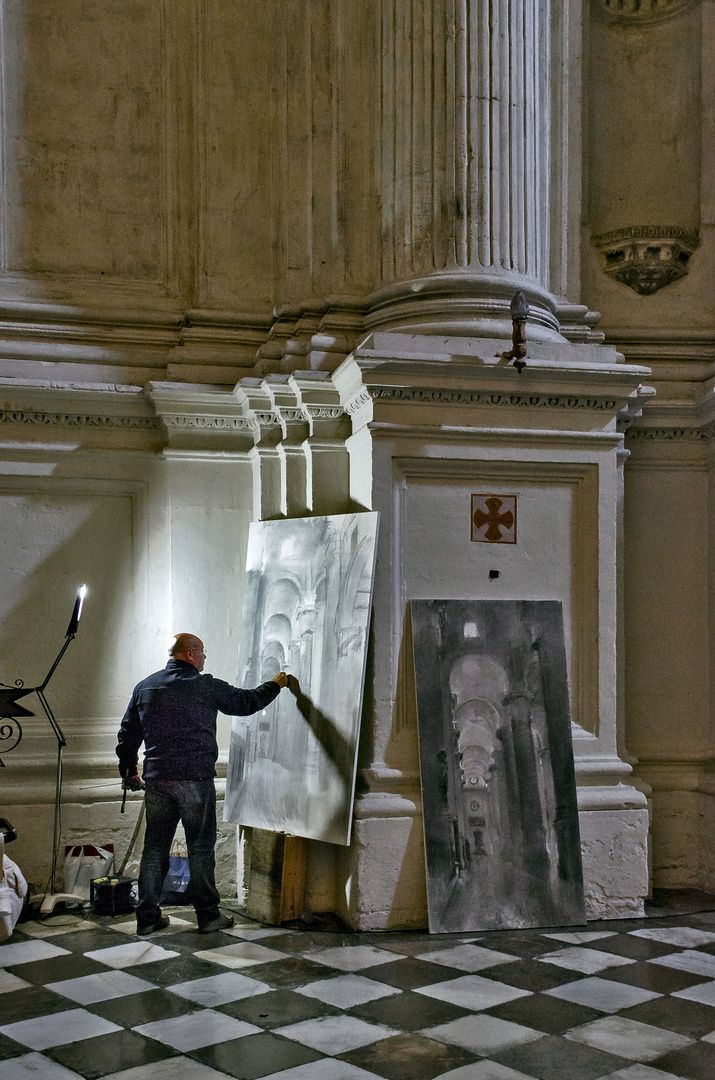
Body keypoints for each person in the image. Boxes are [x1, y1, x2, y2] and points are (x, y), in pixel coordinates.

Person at [116, 633, 287, 935]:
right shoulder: (205, 686)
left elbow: (128, 733)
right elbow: (246, 702)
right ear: (191, 654)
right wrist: (276, 684)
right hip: (195, 780)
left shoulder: (146, 687)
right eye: (203, 653)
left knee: (154, 849)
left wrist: (129, 769)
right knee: (200, 848)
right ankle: (208, 917)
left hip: (158, 781)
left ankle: (147, 918)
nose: (205, 658)